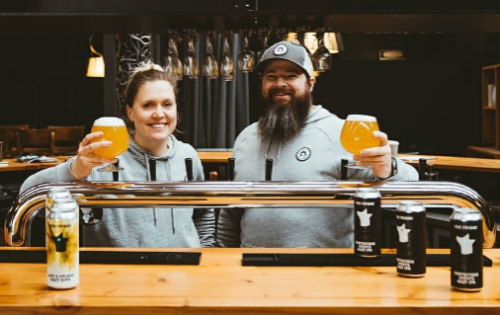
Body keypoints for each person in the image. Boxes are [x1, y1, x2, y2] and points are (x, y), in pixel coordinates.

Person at [217, 40, 418, 248]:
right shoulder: (246, 137)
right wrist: (222, 258)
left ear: (311, 83)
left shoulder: (341, 133)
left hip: (322, 268)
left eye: (291, 75)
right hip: (251, 267)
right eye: (271, 76)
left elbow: (411, 184)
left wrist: (388, 167)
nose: (280, 83)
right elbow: (232, 210)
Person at [20, 63, 215, 248]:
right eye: (148, 105)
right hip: (118, 278)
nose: (159, 113)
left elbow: (203, 214)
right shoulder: (101, 158)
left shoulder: (188, 156)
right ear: (130, 112)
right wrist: (74, 170)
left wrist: (204, 255)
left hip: (183, 276)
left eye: (167, 104)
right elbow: (27, 196)